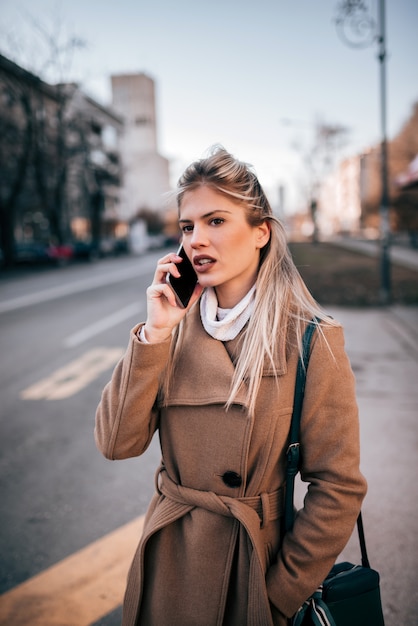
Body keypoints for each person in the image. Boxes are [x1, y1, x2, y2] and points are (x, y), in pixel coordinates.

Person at [95, 146, 367, 626]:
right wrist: (154, 333)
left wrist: (278, 597)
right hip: (171, 569)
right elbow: (117, 444)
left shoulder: (310, 339)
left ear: (261, 232)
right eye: (187, 226)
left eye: (216, 221)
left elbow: (338, 487)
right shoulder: (170, 333)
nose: (197, 239)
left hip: (255, 575)